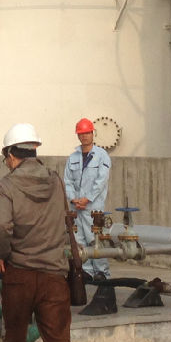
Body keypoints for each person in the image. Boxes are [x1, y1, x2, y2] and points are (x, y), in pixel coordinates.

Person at [0, 122, 82, 342]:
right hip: (54, 275)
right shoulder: (56, 181)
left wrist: (1, 253)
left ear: (11, 155)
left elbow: (2, 227)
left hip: (19, 274)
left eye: (5, 158)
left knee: (15, 336)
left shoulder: (6, 186)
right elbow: (64, 221)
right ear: (34, 151)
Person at [63, 117, 112, 282]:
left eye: (87, 133)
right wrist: (73, 199)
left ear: (92, 133)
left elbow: (101, 181)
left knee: (95, 240)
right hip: (76, 207)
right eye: (81, 134)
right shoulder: (72, 158)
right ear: (77, 135)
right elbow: (67, 181)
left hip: (93, 208)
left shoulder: (102, 156)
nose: (84, 136)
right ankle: (87, 271)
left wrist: (87, 199)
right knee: (79, 241)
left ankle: (102, 273)